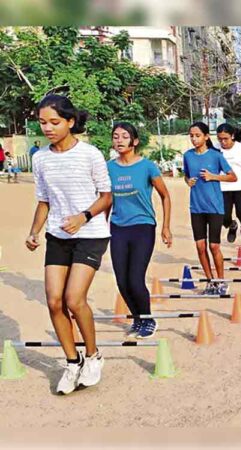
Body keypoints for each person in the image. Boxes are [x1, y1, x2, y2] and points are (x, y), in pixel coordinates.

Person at [26, 94, 112, 395]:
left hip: (91, 233)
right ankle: (72, 362)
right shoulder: (40, 158)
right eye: (42, 122)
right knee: (54, 301)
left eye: (54, 122)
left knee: (74, 299)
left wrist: (83, 217)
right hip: (57, 235)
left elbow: (106, 197)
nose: (47, 128)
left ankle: (93, 356)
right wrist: (34, 232)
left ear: (70, 122)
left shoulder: (90, 154)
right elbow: (44, 201)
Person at [107, 122, 172, 339]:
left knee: (135, 279)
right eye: (116, 136)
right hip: (117, 227)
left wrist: (166, 227)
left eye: (125, 136)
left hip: (143, 226)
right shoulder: (109, 168)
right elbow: (106, 199)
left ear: (134, 141)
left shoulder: (147, 167)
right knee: (121, 281)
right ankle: (137, 318)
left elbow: (165, 196)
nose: (119, 140)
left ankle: (147, 319)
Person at [183, 122, 237, 295]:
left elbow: (233, 177)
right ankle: (210, 282)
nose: (194, 139)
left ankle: (221, 281)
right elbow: (186, 175)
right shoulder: (187, 156)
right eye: (191, 136)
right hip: (196, 208)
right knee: (200, 247)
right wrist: (188, 181)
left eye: (197, 135)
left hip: (214, 207)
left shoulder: (216, 156)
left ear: (206, 137)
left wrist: (213, 177)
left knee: (214, 246)